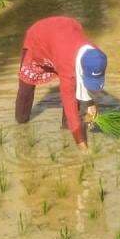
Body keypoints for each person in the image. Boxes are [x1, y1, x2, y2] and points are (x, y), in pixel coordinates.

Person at [15, 16, 108, 150]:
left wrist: (91, 104)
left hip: (66, 33)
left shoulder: (96, 55)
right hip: (38, 38)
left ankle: (66, 130)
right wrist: (82, 145)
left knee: (73, 87)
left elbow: (87, 82)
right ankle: (21, 125)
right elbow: (68, 101)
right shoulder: (66, 63)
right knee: (26, 88)